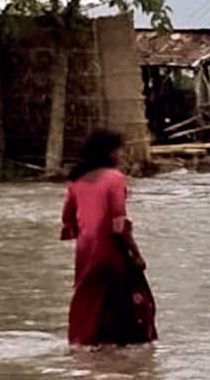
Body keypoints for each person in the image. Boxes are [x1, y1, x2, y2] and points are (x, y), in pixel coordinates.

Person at [60, 128, 157, 347]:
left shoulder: (76, 180)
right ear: (109, 152)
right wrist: (136, 254)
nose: (121, 155)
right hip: (109, 245)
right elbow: (118, 222)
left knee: (88, 294)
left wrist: (83, 232)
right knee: (120, 295)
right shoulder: (115, 178)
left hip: (85, 248)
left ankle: (83, 341)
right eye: (118, 150)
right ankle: (117, 343)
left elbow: (67, 216)